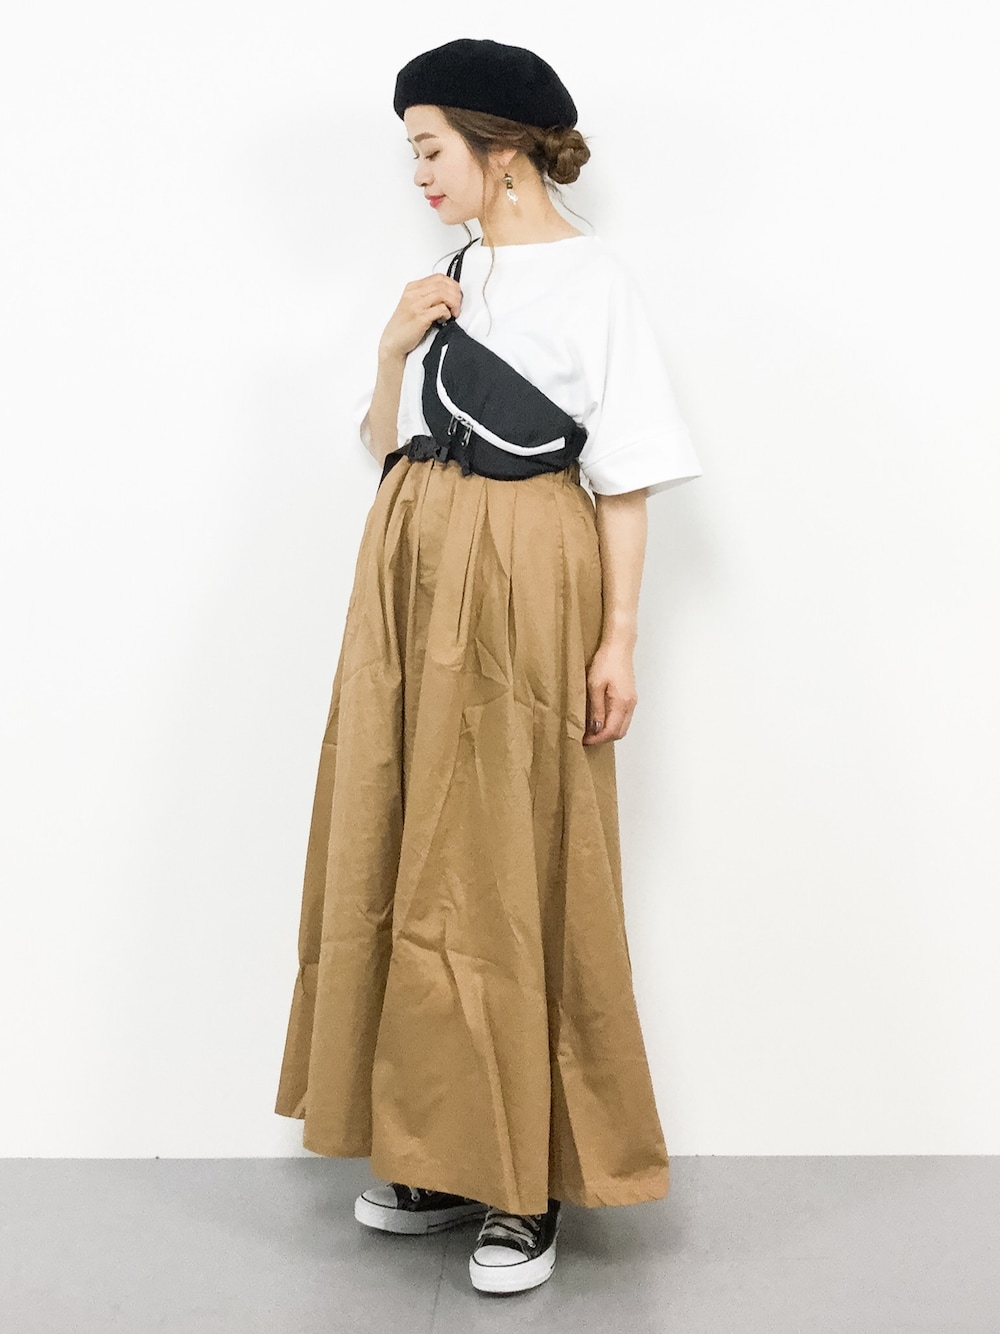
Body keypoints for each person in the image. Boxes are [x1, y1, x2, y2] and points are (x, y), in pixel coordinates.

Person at [273, 37, 703, 1296]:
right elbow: (386, 444)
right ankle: (434, 1147)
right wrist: (390, 348)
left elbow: (624, 480)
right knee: (406, 843)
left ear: (501, 147)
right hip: (408, 580)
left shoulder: (594, 281)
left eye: (428, 147)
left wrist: (618, 639)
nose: (416, 171)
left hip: (524, 581)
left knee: (512, 859)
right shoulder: (450, 276)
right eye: (410, 150)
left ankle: (525, 1180)